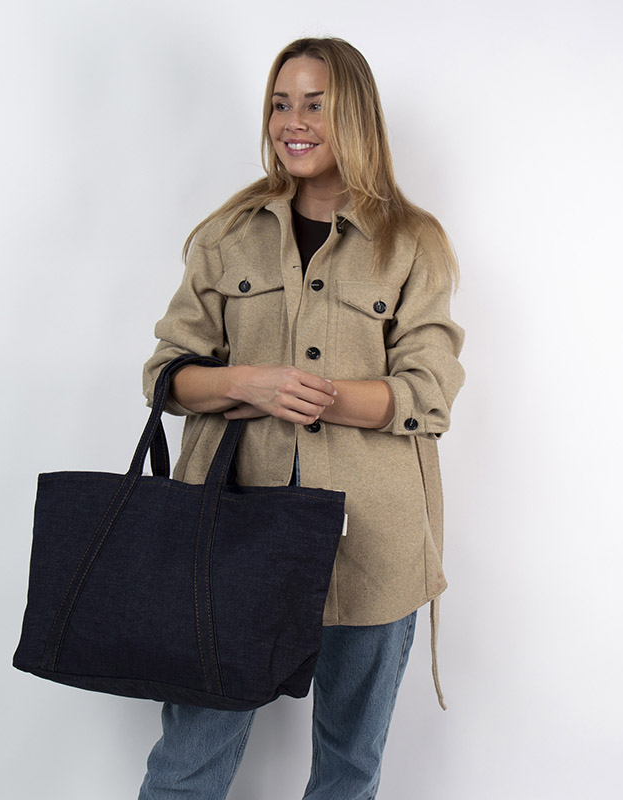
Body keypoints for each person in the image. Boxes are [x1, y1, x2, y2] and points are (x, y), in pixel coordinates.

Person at [139, 37, 465, 800]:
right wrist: (251, 384)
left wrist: (324, 396)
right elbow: (166, 377)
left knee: (349, 767)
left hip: (373, 539)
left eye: (315, 105)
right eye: (281, 104)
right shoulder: (226, 236)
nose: (294, 121)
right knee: (187, 765)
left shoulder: (412, 243)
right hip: (229, 529)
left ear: (354, 114)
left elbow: (430, 390)